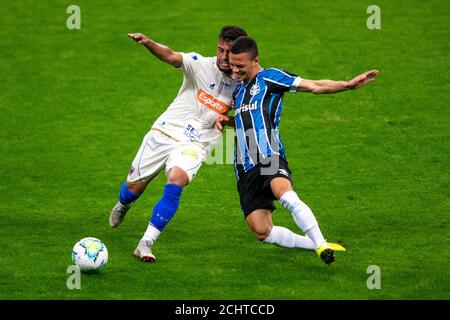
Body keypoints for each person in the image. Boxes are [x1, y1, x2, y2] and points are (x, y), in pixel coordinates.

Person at [216, 36, 379, 265]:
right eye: (232, 64)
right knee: (262, 231)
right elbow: (248, 118)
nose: (234, 69)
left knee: (284, 192)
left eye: (240, 65)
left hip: (268, 153)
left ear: (255, 61)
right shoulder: (239, 90)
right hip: (244, 165)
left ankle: (322, 244)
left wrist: (347, 85)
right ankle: (312, 244)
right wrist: (228, 121)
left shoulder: (270, 77)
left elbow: (313, 86)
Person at [109, 26, 248, 262]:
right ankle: (123, 204)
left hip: (195, 143)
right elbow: (171, 56)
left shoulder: (245, 84)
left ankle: (145, 243)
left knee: (177, 181)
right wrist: (149, 42)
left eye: (229, 52)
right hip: (163, 133)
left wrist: (229, 120)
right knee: (133, 189)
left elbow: (249, 118)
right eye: (220, 50)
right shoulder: (200, 64)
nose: (224, 57)